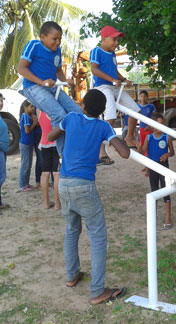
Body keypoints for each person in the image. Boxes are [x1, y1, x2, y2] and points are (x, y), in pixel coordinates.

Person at [47, 89, 129, 305]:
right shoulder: (103, 126)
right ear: (103, 111)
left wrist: (67, 131)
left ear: (82, 105)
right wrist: (119, 137)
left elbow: (50, 136)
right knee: (98, 237)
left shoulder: (71, 118)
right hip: (84, 186)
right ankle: (97, 292)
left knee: (72, 230)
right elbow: (125, 153)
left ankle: (72, 276)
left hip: (63, 184)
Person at [17, 21, 81, 155]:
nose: (58, 42)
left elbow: (58, 71)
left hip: (51, 87)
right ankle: (63, 154)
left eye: (60, 39)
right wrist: (42, 82)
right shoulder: (33, 45)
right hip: (33, 87)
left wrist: (65, 81)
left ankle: (75, 145)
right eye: (54, 39)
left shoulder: (57, 51)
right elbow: (21, 68)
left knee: (77, 112)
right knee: (59, 114)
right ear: (43, 37)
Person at [90, 25, 140, 165]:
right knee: (110, 116)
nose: (117, 43)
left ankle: (129, 138)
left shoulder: (112, 54)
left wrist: (123, 79)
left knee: (136, 110)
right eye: (114, 39)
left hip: (113, 86)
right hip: (102, 87)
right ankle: (101, 150)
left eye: (117, 39)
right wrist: (112, 80)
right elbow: (94, 70)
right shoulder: (96, 51)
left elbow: (114, 70)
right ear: (104, 38)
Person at [138, 113, 175, 230]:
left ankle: (168, 218)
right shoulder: (149, 138)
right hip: (153, 168)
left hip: (164, 168)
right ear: (152, 126)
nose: (159, 127)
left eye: (161, 124)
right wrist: (138, 147)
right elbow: (143, 151)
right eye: (157, 124)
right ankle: (153, 217)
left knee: (166, 192)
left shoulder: (166, 137)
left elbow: (172, 152)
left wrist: (167, 154)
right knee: (154, 192)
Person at [37, 109, 61, 210]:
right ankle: (57, 204)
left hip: (43, 143)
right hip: (56, 144)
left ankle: (46, 203)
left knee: (45, 173)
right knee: (56, 174)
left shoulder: (39, 110)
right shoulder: (56, 109)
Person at [19, 100, 38, 192]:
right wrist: (34, 124)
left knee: (28, 164)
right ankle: (22, 185)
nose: (33, 109)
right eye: (31, 107)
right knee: (25, 165)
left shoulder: (28, 116)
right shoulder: (25, 116)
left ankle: (26, 183)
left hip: (29, 143)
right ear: (25, 107)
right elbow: (27, 131)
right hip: (25, 143)